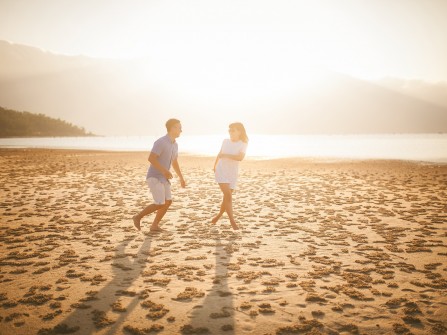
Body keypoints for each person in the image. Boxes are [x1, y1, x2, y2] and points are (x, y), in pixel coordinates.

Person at [133, 119, 186, 232]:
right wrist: (164, 171)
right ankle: (137, 217)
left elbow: (174, 162)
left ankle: (154, 226)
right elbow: (151, 158)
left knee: (168, 201)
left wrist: (181, 177)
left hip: (164, 177)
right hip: (155, 176)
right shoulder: (161, 142)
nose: (181, 130)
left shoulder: (175, 145)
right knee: (159, 203)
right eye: (179, 127)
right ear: (172, 128)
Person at [212, 122, 248, 230]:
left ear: (239, 132)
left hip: (232, 172)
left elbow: (240, 158)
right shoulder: (225, 141)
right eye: (229, 130)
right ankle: (232, 221)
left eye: (233, 130)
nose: (230, 132)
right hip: (221, 170)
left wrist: (226, 155)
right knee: (228, 196)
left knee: (226, 197)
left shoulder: (243, 143)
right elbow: (219, 154)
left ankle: (218, 216)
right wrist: (214, 166)